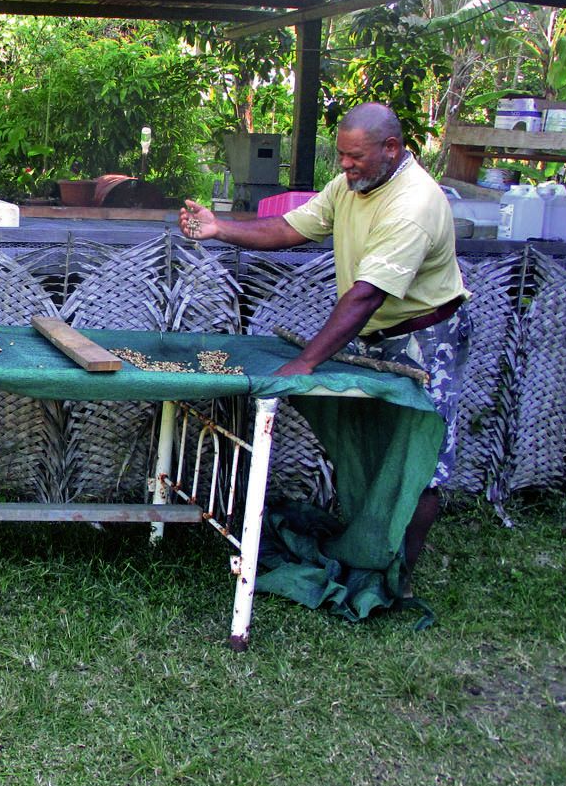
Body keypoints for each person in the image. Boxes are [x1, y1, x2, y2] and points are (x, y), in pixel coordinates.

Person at [178, 102, 470, 582]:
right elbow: (292, 228)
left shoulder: (412, 205)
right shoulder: (354, 185)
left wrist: (307, 362)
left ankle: (396, 577)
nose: (344, 165)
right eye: (341, 155)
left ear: (391, 149)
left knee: (419, 459)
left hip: (423, 338)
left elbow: (364, 297)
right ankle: (369, 547)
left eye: (354, 156)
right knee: (375, 446)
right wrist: (219, 228)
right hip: (378, 335)